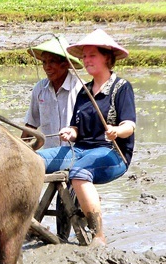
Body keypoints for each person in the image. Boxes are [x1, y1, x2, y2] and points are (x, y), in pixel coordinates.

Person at [37, 29, 136, 246]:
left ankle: (98, 234)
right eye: (84, 56)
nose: (86, 60)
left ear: (107, 58)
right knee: (33, 160)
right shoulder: (85, 90)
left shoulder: (121, 88)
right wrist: (70, 132)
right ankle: (26, 222)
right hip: (79, 150)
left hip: (111, 153)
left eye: (92, 55)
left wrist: (116, 131)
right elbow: (76, 128)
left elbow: (129, 126)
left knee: (79, 172)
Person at [23, 35, 84, 148]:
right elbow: (31, 124)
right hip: (48, 153)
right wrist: (20, 148)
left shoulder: (80, 89)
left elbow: (87, 129)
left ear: (65, 64)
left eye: (52, 62)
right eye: (44, 62)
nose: (47, 67)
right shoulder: (40, 88)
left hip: (74, 153)